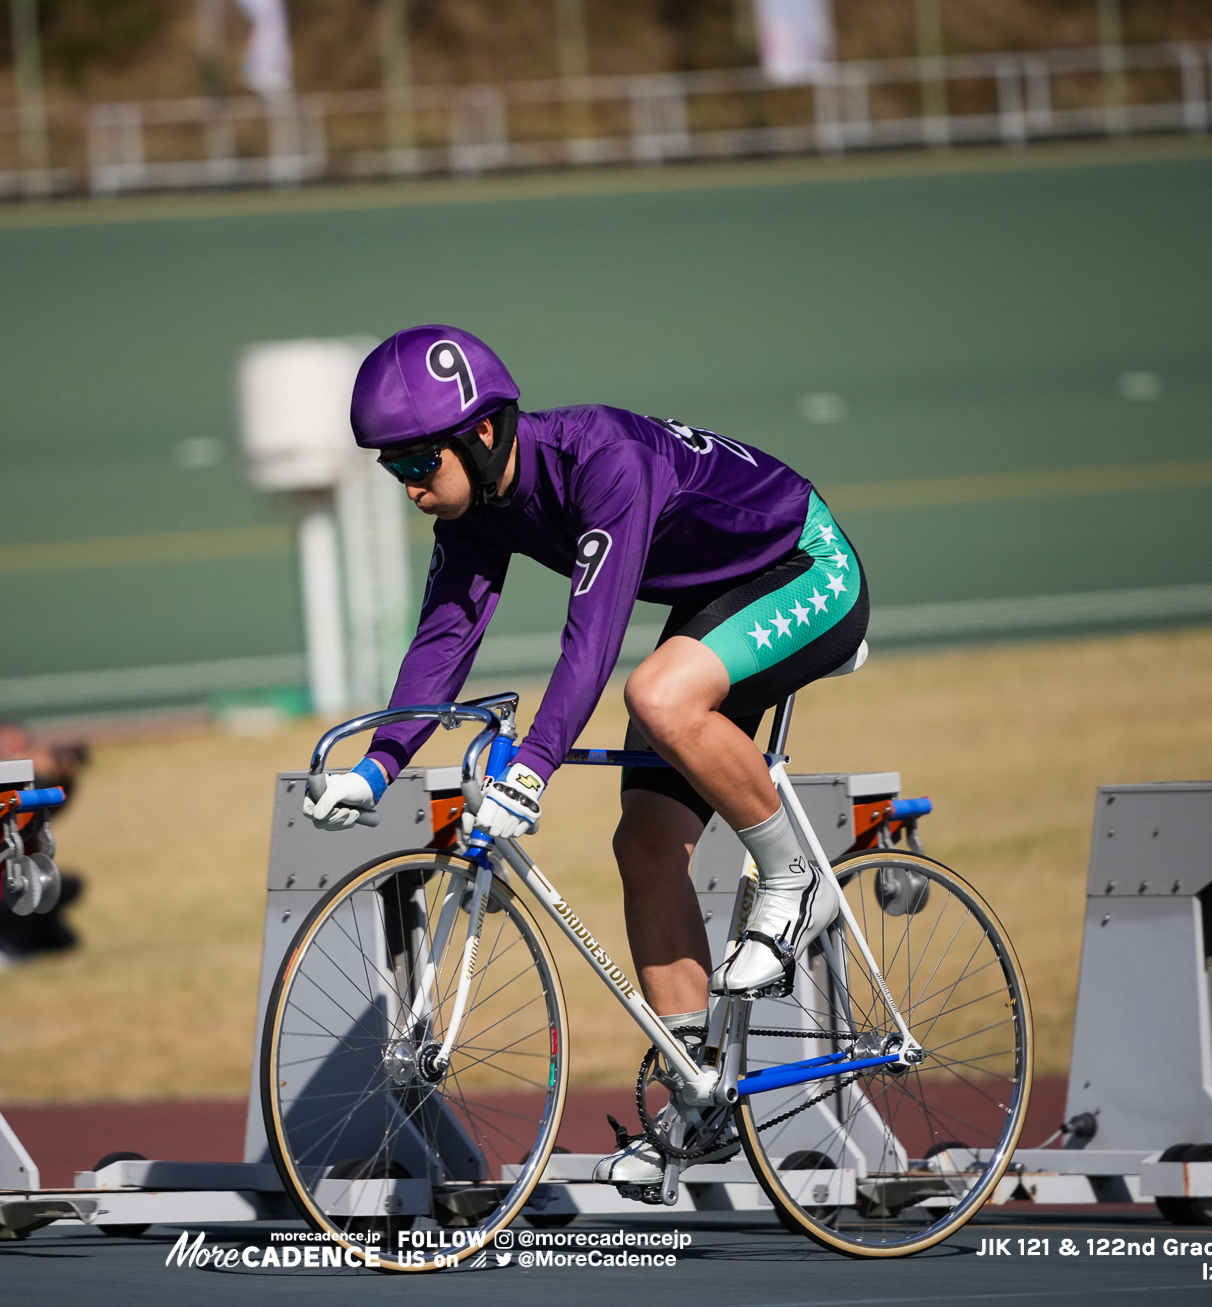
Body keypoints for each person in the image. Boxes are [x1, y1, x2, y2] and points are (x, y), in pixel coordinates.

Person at [302, 325, 868, 1188]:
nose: (409, 487)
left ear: (482, 432)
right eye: (393, 468)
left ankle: (795, 887)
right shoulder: (479, 504)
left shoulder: (606, 461)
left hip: (807, 570)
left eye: (418, 463)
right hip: (720, 603)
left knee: (657, 693)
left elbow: (591, 638)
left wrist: (530, 768)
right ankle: (700, 1097)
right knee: (643, 843)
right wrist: (377, 765)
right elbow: (446, 636)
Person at [0, 717, 87, 964]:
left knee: (63, 930)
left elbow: (49, 809)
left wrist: (66, 776)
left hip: (15, 882)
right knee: (47, 890)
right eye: (14, 750)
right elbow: (16, 814)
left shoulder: (24, 786)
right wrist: (43, 778)